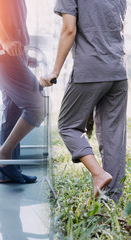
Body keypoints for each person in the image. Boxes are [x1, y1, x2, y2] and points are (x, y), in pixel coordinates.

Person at [40, 0, 128, 202]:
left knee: (67, 125)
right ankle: (112, 201)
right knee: (114, 136)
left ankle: (99, 173)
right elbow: (119, 29)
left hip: (90, 69)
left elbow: (69, 30)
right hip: (118, 71)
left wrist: (55, 71)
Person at [0, 0, 45, 184]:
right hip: (3, 56)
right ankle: (3, 154)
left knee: (12, 112)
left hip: (13, 56)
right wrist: (5, 42)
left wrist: (24, 56)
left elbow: (14, 24)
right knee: (38, 104)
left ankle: (8, 171)